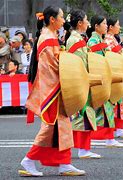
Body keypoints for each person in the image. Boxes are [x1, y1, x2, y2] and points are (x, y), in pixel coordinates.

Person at [19, 6, 85, 177]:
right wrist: (70, 75)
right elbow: (52, 68)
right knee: (49, 128)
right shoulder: (47, 38)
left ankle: (64, 163)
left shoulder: (50, 36)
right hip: (52, 90)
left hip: (55, 89)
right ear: (52, 19)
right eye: (62, 17)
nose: (64, 20)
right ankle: (28, 160)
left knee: (62, 127)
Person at [66, 10, 101, 159]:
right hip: (81, 81)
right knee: (84, 115)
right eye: (86, 20)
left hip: (81, 80)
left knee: (84, 115)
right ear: (80, 23)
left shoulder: (75, 38)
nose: (88, 23)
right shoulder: (75, 40)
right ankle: (83, 150)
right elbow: (79, 64)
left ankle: (83, 148)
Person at [87, 15, 123, 148]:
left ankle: (108, 137)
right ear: (96, 26)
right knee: (103, 109)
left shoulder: (100, 39)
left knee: (106, 108)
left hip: (104, 77)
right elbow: (95, 61)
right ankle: (106, 137)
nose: (105, 26)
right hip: (99, 77)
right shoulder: (93, 40)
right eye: (103, 24)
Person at [104, 18, 123, 139]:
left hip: (117, 72)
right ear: (111, 27)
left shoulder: (111, 39)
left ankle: (119, 128)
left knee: (120, 101)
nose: (119, 26)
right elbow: (115, 54)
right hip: (115, 73)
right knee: (117, 102)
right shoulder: (108, 39)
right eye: (117, 25)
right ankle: (117, 129)